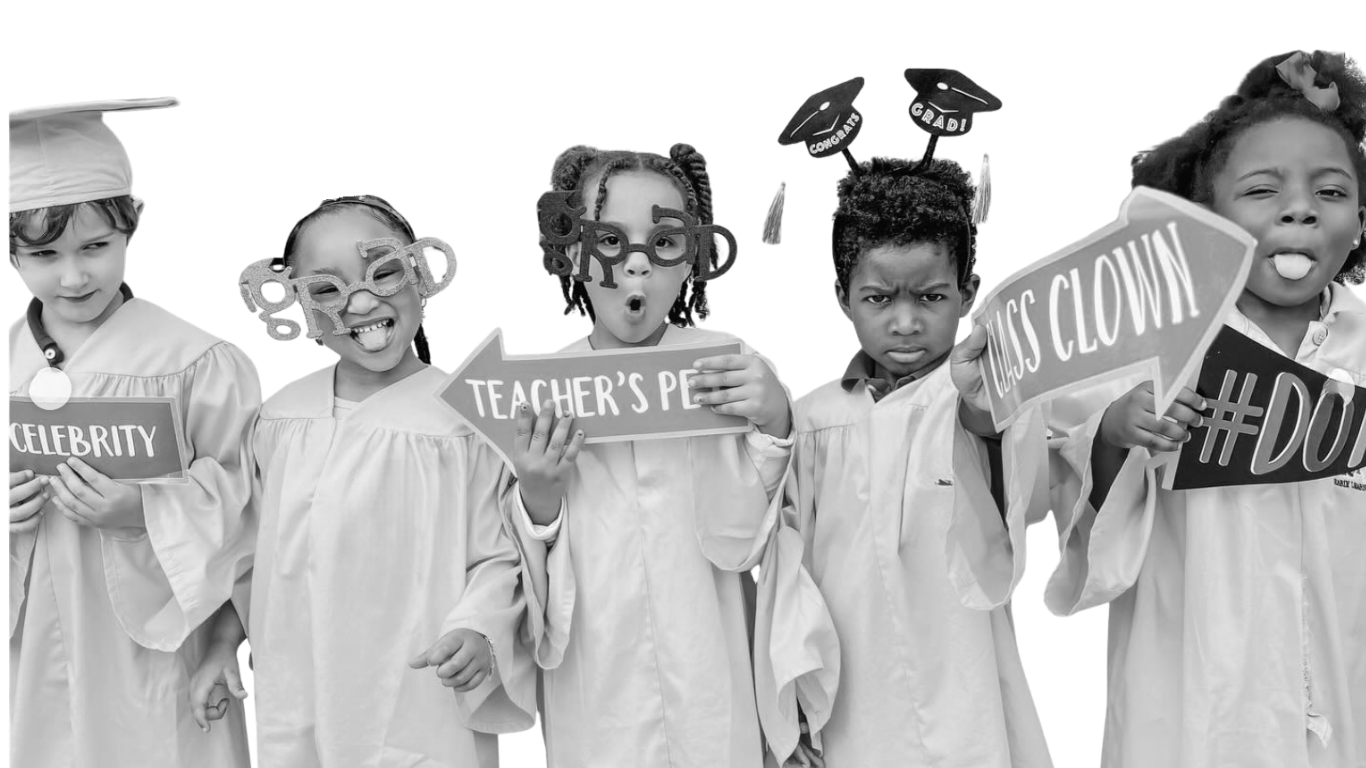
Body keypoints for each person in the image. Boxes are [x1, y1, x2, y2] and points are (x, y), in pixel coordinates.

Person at [1045, 49, 1366, 768]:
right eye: (1262, 190)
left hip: (1347, 699)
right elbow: (1074, 505)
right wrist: (1116, 432)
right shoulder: (1148, 343)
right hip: (1195, 709)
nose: (1300, 208)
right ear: (1207, 219)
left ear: (1360, 221)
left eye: (1330, 190)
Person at [508, 142, 800, 767]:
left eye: (663, 242)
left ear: (692, 257)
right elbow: (511, 563)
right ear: (572, 252)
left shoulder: (733, 371)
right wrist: (538, 500)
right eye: (609, 241)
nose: (636, 266)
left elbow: (762, 537)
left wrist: (777, 421)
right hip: (596, 682)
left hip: (712, 673)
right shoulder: (536, 395)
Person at [227, 194, 537, 766]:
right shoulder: (279, 419)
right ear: (298, 306)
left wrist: (480, 630)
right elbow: (247, 553)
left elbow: (499, 553)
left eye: (383, 272)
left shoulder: (463, 422)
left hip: (419, 691)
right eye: (327, 288)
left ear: (421, 274)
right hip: (298, 689)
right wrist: (224, 644)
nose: (362, 301)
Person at [775, 154, 1054, 767]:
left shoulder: (977, 396)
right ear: (842, 299)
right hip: (852, 676)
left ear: (967, 295)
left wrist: (984, 408)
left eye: (931, 297)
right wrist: (791, 687)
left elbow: (1025, 498)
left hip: (962, 667)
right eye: (879, 298)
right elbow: (790, 566)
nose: (906, 322)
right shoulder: (814, 420)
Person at [7, 97, 257, 767]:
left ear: (131, 228)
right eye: (44, 254)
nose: (74, 275)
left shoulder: (192, 359)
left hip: (155, 653)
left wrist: (147, 510)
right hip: (30, 653)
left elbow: (251, 501)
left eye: (96, 246)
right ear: (12, 255)